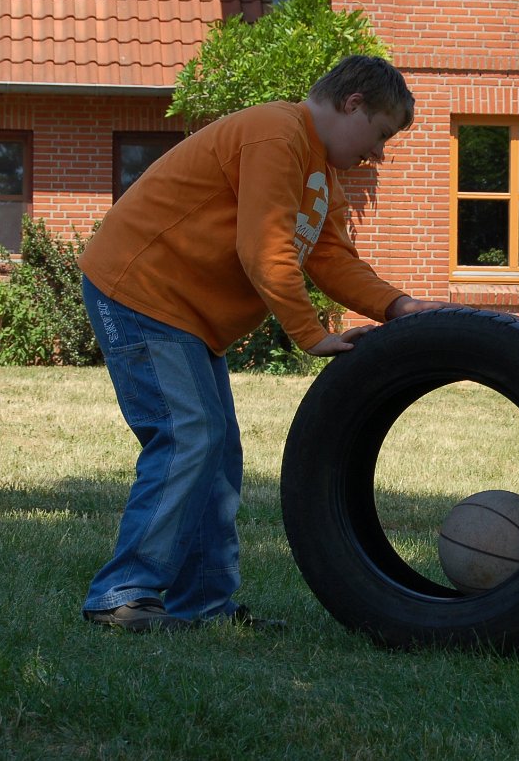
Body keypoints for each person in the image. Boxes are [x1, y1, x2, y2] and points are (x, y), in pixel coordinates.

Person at [78, 55, 448, 633]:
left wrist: (398, 306)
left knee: (217, 452)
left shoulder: (318, 172)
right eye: (379, 135)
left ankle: (205, 605)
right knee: (187, 435)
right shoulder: (277, 133)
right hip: (141, 292)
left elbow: (329, 257)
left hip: (186, 315)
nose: (377, 154)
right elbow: (265, 247)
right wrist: (311, 334)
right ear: (353, 103)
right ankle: (120, 595)